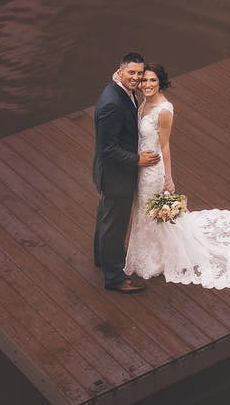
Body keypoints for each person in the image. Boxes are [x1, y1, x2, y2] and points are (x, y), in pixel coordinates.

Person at [124, 63, 230, 288]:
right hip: (141, 166)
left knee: (152, 213)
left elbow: (165, 146)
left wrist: (168, 178)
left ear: (160, 83)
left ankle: (157, 257)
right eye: (144, 81)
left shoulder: (164, 110)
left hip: (153, 170)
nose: (148, 84)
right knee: (142, 210)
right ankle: (143, 252)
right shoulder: (143, 106)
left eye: (152, 80)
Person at [93, 51, 159, 293]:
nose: (136, 78)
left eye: (139, 73)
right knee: (115, 225)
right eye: (131, 72)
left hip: (110, 173)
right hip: (115, 175)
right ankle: (115, 278)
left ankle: (101, 258)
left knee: (105, 216)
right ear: (120, 70)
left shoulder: (121, 90)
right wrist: (137, 159)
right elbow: (107, 148)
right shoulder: (111, 103)